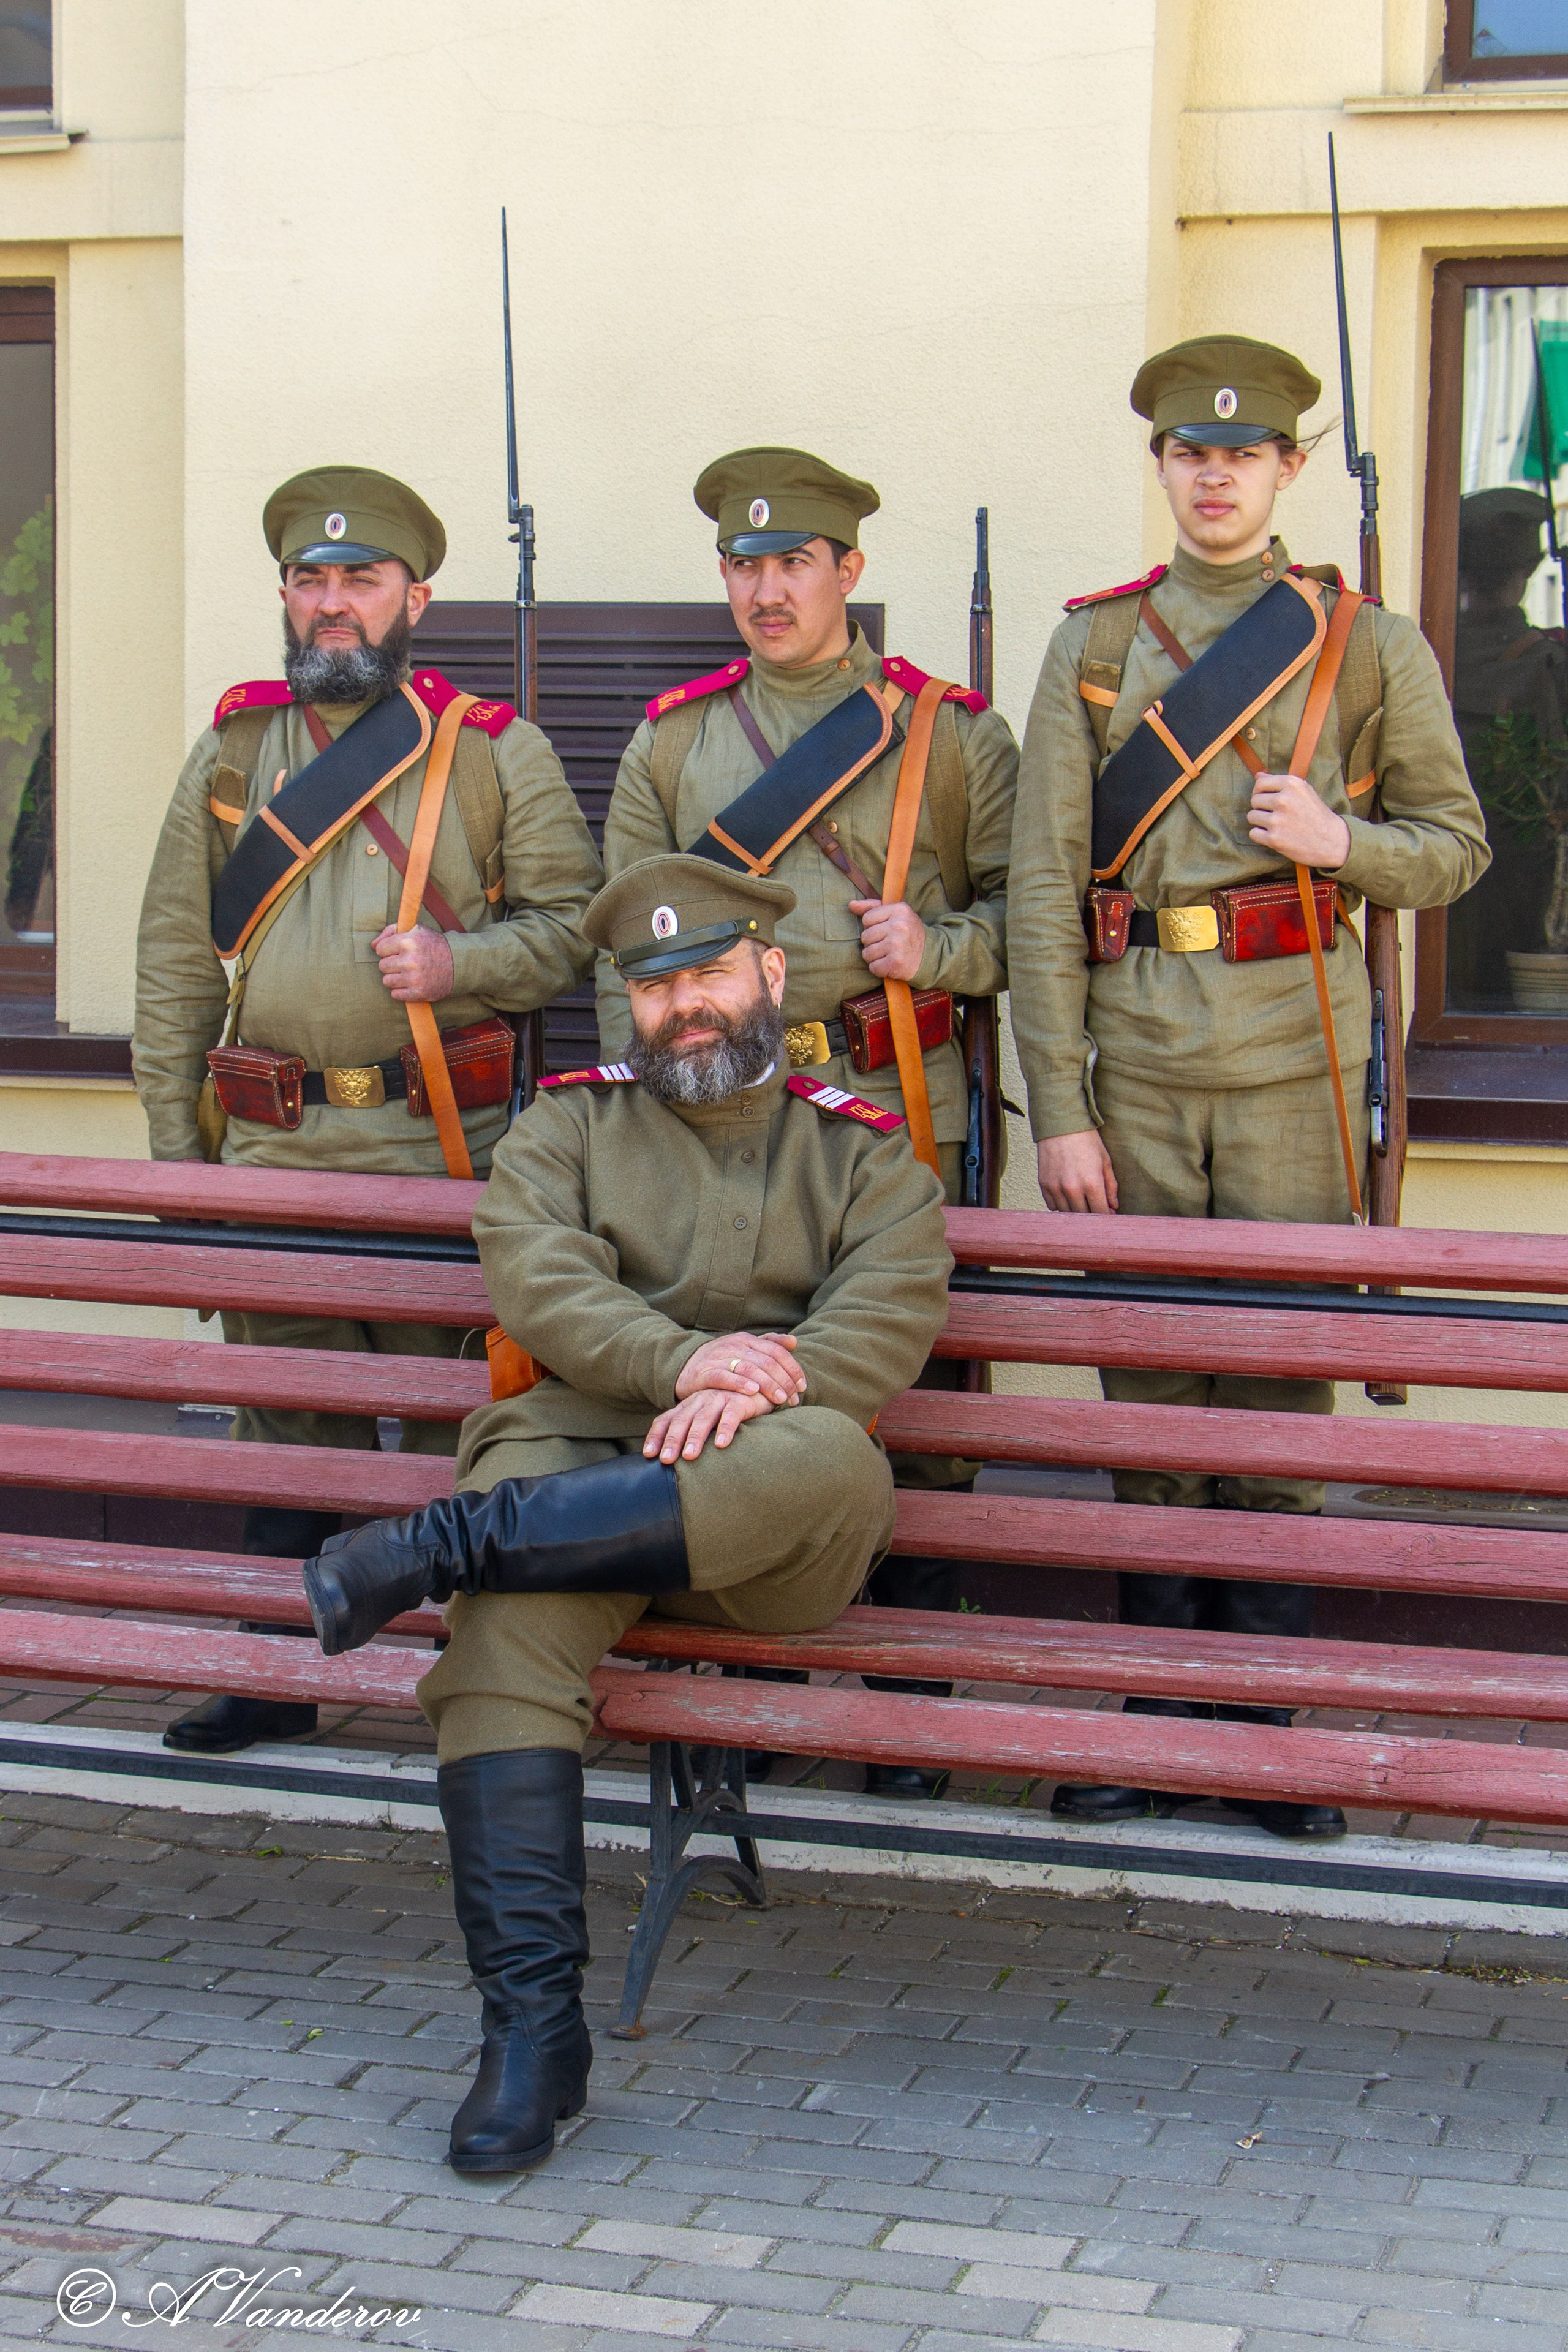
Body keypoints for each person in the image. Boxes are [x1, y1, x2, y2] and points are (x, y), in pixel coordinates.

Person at [296, 854, 952, 2174]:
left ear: (772, 973)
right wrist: (684, 1362)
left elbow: (881, 1327)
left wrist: (747, 1395)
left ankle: (434, 1548)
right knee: (497, 1645)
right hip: (572, 1474)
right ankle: (533, 2039)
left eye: (708, 974)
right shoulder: (566, 1130)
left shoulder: (867, 1155)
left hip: (765, 1531)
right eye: (655, 988)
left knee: (833, 1457)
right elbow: (538, 1279)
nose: (684, 1007)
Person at [1006, 336, 1490, 1839]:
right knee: (1150, 1385)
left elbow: (1454, 847)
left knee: (1277, 1381)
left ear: (1286, 469)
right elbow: (1040, 888)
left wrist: (1344, 844)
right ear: (1158, 466)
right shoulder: (1094, 644)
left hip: (1295, 1055)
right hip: (1138, 1063)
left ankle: (1263, 1736)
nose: (1211, 477)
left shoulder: (1368, 645)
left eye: (1239, 455)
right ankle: (1158, 1725)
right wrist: (1059, 1107)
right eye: (1186, 453)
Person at [133, 465, 601, 1755]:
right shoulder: (235, 752)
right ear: (287, 595)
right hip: (272, 1149)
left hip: (441, 1151)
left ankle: (485, 1691)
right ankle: (273, 1677)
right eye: (311, 579)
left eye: (361, 579)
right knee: (285, 1424)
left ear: (417, 600)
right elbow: (175, 963)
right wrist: (183, 1170)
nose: (333, 602)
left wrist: (463, 965)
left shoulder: (494, 751)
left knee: (465, 1425)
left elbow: (577, 931)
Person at [595, 447, 1017, 1796]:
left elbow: (1038, 922)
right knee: (745, 1379)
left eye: (794, 563)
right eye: (745, 565)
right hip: (728, 1107)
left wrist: (942, 947)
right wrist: (639, 1124)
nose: (767, 590)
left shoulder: (949, 735)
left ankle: (908, 1709)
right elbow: (627, 956)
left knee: (916, 1402)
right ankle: (758, 1697)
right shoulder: (674, 741)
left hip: (896, 1100)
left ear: (850, 570)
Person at [1446, 488, 1568, 1009]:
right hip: (1528, 880)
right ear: (1529, 570)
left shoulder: (1426, 655)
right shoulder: (1552, 662)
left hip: (1446, 871)